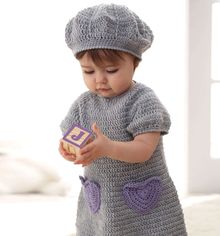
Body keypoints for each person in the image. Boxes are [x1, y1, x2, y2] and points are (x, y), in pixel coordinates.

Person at [59, 3, 187, 236]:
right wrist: (68, 148)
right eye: (88, 71)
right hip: (102, 200)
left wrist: (108, 147)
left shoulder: (142, 101)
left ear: (134, 63)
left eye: (110, 70)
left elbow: (144, 149)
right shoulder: (83, 104)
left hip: (141, 201)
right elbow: (73, 136)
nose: (99, 80)